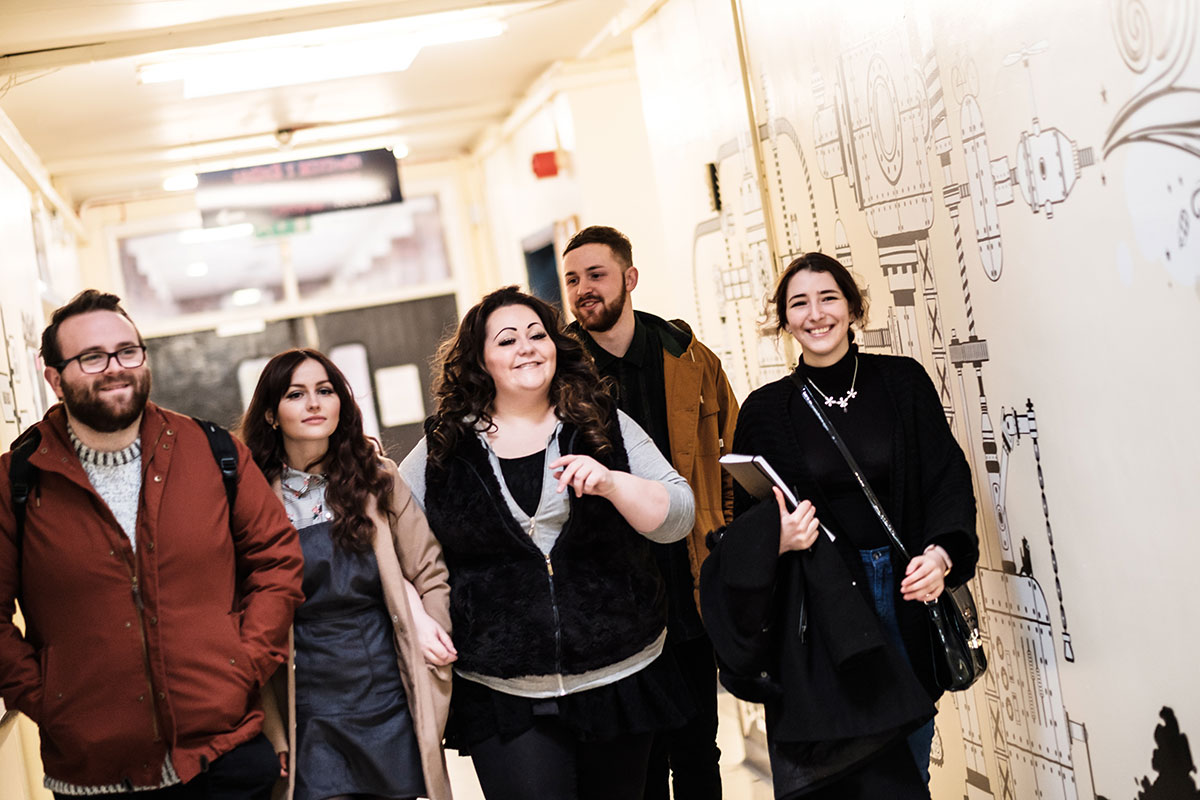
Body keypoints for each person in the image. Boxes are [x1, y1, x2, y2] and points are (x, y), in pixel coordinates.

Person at [0, 290, 304, 799]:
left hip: (225, 757)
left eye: (127, 351)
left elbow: (277, 562)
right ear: (53, 377)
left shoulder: (215, 452)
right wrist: (49, 698)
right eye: (91, 357)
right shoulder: (16, 481)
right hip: (93, 772)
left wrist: (243, 662)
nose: (115, 368)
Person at [399, 286, 697, 800]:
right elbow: (386, 543)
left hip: (618, 673)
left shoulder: (603, 425)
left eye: (538, 335)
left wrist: (610, 482)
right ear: (480, 359)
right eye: (507, 340)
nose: (527, 348)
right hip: (504, 686)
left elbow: (678, 516)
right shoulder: (444, 447)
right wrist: (417, 615)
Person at [699, 253, 978, 799]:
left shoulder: (903, 382)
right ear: (783, 319)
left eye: (828, 298)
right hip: (825, 614)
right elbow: (748, 523)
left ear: (852, 306)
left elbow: (946, 478)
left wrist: (942, 556)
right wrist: (778, 539)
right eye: (798, 303)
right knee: (845, 780)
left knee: (909, 772)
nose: (816, 314)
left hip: (905, 594)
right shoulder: (763, 411)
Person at [562, 225, 737, 800]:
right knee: (635, 761)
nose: (582, 289)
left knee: (696, 747)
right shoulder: (556, 376)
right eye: (571, 279)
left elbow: (732, 458)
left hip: (688, 580)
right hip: (611, 597)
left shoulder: (691, 361)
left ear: (629, 279)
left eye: (596, 275)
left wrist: (726, 540)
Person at [239, 348, 455, 800]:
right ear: (272, 415)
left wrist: (430, 652)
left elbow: (428, 570)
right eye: (296, 394)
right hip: (308, 698)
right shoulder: (250, 497)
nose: (314, 403)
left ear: (342, 403)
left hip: (387, 693)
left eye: (325, 390)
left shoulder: (380, 479)